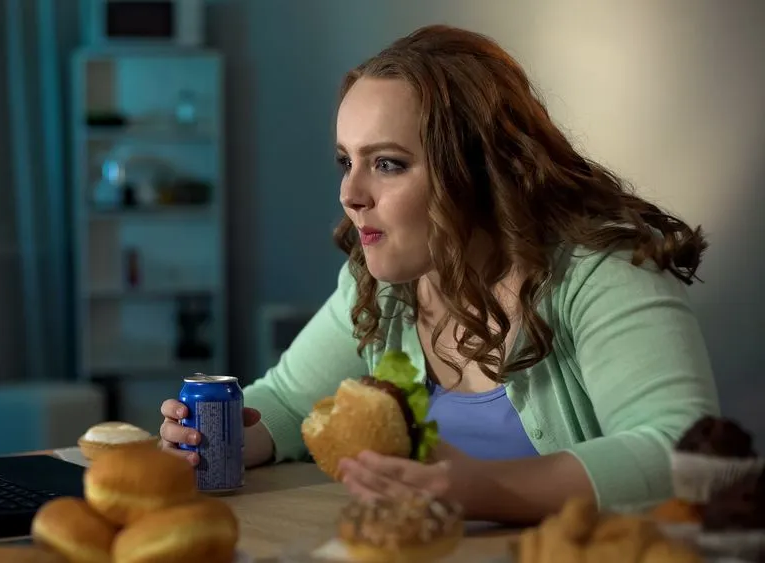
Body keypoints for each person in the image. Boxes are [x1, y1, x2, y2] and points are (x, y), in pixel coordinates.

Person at [159, 24, 720, 524]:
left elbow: (685, 451)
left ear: (480, 171)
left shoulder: (601, 272)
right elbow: (285, 404)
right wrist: (209, 439)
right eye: (345, 161)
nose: (350, 194)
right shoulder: (383, 286)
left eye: (387, 164)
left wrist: (486, 489)